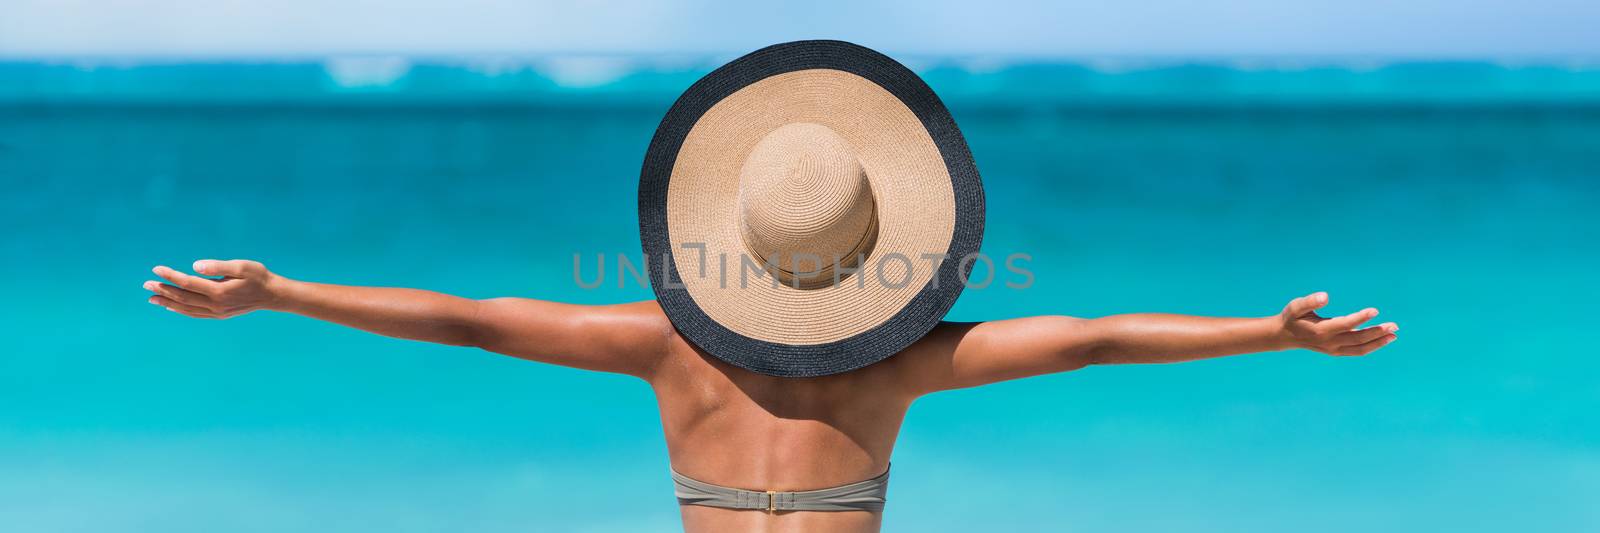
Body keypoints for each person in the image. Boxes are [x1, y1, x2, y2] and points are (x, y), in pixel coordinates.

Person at [141, 41, 1398, 533]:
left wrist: (286, 291)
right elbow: (1095, 341)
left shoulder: (657, 345)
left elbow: (464, 319)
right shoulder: (896, 357)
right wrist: (1269, 333)